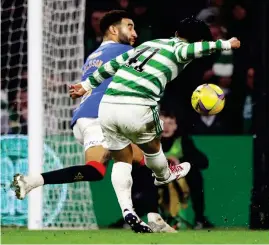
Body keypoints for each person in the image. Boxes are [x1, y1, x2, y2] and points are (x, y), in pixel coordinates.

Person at [70, 16, 240, 233]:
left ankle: (129, 211)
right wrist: (226, 44)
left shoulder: (151, 44)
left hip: (108, 107)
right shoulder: (180, 49)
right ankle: (165, 175)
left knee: (123, 160)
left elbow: (113, 65)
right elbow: (194, 50)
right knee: (154, 145)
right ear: (194, 40)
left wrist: (86, 85)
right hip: (136, 106)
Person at [11, 10, 174, 233]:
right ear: (114, 30)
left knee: (112, 167)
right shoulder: (126, 51)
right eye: (130, 27)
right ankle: (139, 215)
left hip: (83, 119)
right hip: (102, 116)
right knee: (147, 159)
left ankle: (153, 217)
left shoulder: (93, 56)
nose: (135, 33)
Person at [158, 110, 214, 229]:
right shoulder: (149, 142)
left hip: (180, 184)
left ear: (176, 126)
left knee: (195, 174)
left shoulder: (183, 142)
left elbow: (204, 162)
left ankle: (199, 218)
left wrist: (181, 162)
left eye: (170, 123)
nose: (166, 127)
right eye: (162, 123)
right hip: (156, 181)